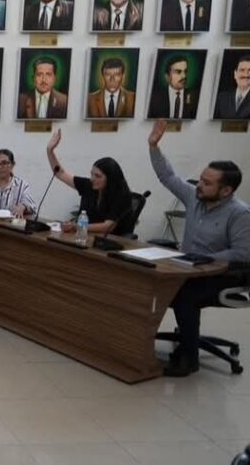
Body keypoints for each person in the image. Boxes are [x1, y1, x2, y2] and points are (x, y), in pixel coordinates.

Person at [148, 119, 250, 376]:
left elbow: (243, 253)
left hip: (225, 275)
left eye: (207, 183)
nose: (199, 185)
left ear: (226, 190)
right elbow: (168, 177)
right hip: (188, 269)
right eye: (201, 180)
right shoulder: (195, 197)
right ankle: (141, 343)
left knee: (183, 296)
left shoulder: (240, 214)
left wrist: (203, 258)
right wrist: (154, 146)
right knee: (152, 282)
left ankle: (189, 358)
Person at [45, 129, 135, 236]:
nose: (92, 179)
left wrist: (77, 226)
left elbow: (108, 227)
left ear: (110, 179)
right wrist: (50, 151)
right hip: (85, 237)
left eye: (97, 176)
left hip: (110, 241)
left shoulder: (121, 196)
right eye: (92, 174)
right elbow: (60, 173)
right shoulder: (89, 185)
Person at [148, 53, 198, 120]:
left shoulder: (195, 97)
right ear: (167, 77)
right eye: (178, 72)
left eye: (185, 71)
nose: (184, 76)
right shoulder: (154, 98)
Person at [214, 54, 250, 119]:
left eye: (249, 70)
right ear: (235, 74)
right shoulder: (221, 98)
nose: (246, 74)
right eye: (242, 70)